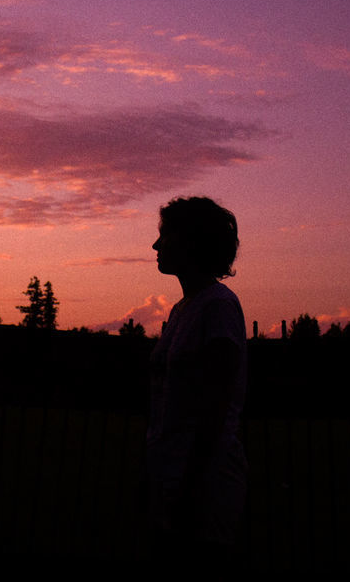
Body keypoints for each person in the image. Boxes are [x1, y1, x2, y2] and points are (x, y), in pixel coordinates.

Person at [147, 196, 247, 571]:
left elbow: (215, 407)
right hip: (174, 477)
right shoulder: (183, 309)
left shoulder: (217, 307)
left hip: (203, 484)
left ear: (192, 241)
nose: (156, 246)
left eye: (166, 235)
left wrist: (190, 487)